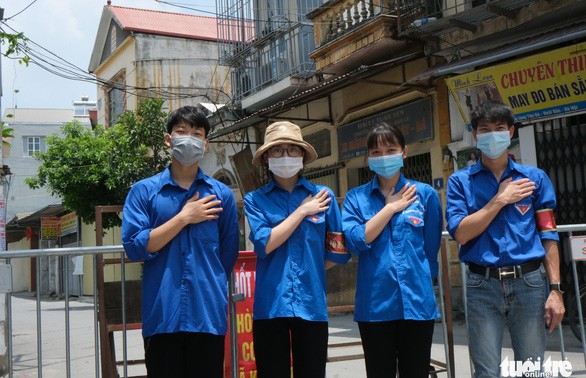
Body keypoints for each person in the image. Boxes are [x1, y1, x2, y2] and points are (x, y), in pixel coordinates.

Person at [445, 100, 564, 377]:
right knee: (486, 372)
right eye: (484, 129)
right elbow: (461, 232)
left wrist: (556, 291)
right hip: (481, 284)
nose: (492, 135)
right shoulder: (460, 182)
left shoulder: (534, 179)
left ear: (510, 132)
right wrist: (499, 200)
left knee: (531, 369)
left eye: (499, 128)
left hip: (529, 283)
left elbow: (548, 234)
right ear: (475, 135)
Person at [121, 106, 239, 377]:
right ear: (168, 139)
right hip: (162, 314)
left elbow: (226, 256)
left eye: (197, 134)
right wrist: (184, 217)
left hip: (207, 313)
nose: (189, 139)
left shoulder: (221, 195)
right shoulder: (144, 192)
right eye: (181, 132)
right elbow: (135, 246)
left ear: (206, 144)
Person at [243, 121, 351, 378]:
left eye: (292, 149)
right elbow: (265, 243)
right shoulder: (255, 200)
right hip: (271, 306)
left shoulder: (323, 196)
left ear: (302, 154)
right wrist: (302, 210)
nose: (285, 156)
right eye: (278, 150)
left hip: (311, 304)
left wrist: (307, 267)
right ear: (267, 156)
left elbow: (336, 253)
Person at [342, 122, 443, 378]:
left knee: (416, 372)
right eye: (376, 152)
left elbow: (430, 250)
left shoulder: (425, 194)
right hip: (375, 306)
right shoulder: (356, 198)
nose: (384, 156)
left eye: (391, 149)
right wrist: (389, 208)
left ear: (404, 152)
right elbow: (355, 241)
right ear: (368, 157)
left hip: (416, 303)